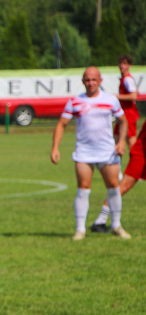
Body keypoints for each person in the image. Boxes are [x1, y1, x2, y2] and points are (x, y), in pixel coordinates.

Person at [51, 66, 130, 241]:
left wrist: (122, 141)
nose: (91, 83)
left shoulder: (110, 100)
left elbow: (123, 121)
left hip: (107, 151)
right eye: (87, 80)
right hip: (84, 152)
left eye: (94, 79)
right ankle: (80, 230)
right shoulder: (75, 101)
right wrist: (55, 147)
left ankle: (116, 225)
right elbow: (61, 124)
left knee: (113, 188)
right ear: (83, 81)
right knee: (83, 189)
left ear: (100, 81)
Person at [90, 55, 141, 232]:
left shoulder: (128, 80)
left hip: (128, 117)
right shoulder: (126, 80)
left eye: (124, 63)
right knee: (125, 181)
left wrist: (115, 96)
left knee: (125, 145)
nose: (122, 66)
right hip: (130, 127)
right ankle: (101, 219)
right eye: (120, 63)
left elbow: (133, 95)